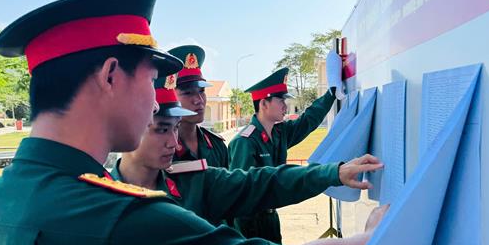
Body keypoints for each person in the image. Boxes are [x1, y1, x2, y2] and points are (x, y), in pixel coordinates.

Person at [0, 0, 387, 245]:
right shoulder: (127, 221)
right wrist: (373, 239)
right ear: (111, 75)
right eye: (149, 78)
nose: (156, 102)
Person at [111, 74, 382, 226]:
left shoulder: (198, 179)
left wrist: (332, 173)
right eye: (161, 129)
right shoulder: (101, 201)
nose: (172, 141)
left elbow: (258, 183)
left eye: (174, 128)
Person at [228, 66, 338, 245]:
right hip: (248, 231)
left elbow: (308, 120)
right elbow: (240, 198)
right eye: (280, 100)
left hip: (270, 226)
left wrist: (331, 94)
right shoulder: (244, 142)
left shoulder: (278, 133)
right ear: (263, 104)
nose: (285, 105)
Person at [168, 45, 229, 167]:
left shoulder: (217, 146)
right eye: (188, 93)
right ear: (169, 96)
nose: (199, 100)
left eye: (202, 91)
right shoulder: (162, 149)